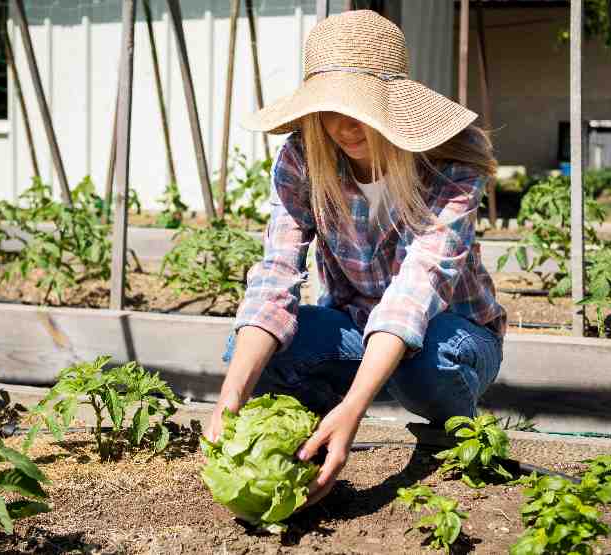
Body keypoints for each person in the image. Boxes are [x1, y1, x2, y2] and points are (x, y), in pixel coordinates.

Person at [204, 10, 507, 508]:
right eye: (329, 108)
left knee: (427, 365)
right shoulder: (304, 157)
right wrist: (230, 398)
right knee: (246, 351)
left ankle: (453, 427)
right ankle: (313, 432)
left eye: (359, 108)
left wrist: (356, 409)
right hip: (355, 328)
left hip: (454, 334)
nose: (343, 126)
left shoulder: (451, 160)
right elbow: (276, 275)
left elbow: (418, 285)